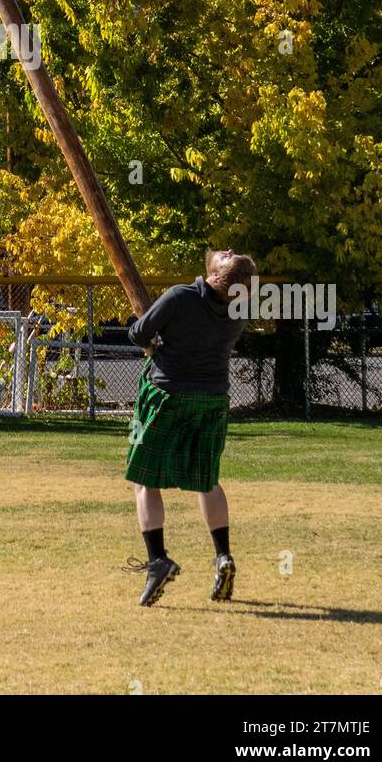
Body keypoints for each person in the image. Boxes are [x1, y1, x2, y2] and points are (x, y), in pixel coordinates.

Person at [124, 248, 256, 607]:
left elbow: (138, 333)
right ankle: (223, 556)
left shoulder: (181, 296)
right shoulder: (239, 309)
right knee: (207, 479)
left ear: (215, 275)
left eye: (230, 256)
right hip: (213, 402)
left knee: (143, 478)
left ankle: (158, 561)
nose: (227, 250)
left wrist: (152, 339)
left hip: (166, 396)